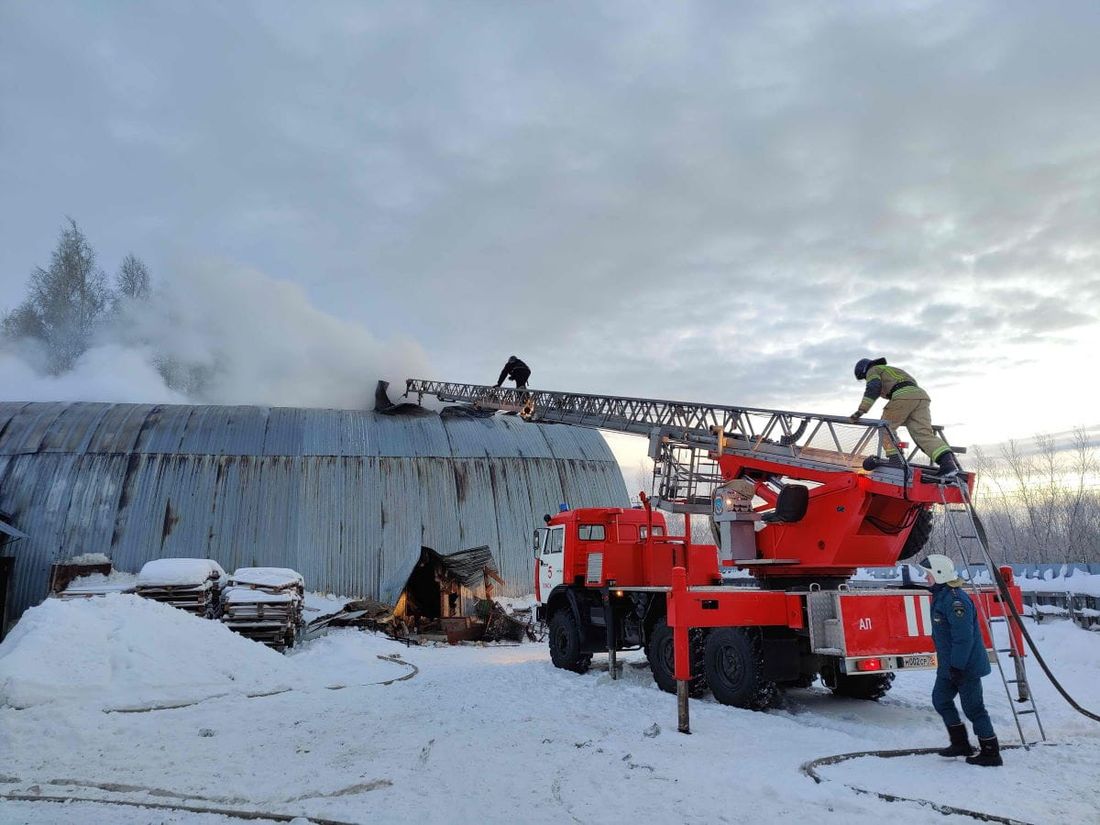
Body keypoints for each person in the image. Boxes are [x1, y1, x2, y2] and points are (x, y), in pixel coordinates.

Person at [920, 554, 1003, 767]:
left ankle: (991, 751)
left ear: (939, 575)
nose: (924, 578)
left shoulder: (956, 600)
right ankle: (960, 743)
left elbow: (963, 637)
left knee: (974, 708)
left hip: (965, 666)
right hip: (950, 666)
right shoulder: (941, 596)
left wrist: (957, 666)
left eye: (928, 574)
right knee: (940, 699)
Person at [849, 357, 961, 478]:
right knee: (923, 434)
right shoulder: (893, 371)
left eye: (864, 377)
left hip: (902, 396)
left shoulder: (873, 370)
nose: (866, 379)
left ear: (864, 370)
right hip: (921, 397)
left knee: (885, 428)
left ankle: (896, 460)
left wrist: (861, 410)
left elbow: (873, 387)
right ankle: (948, 464)